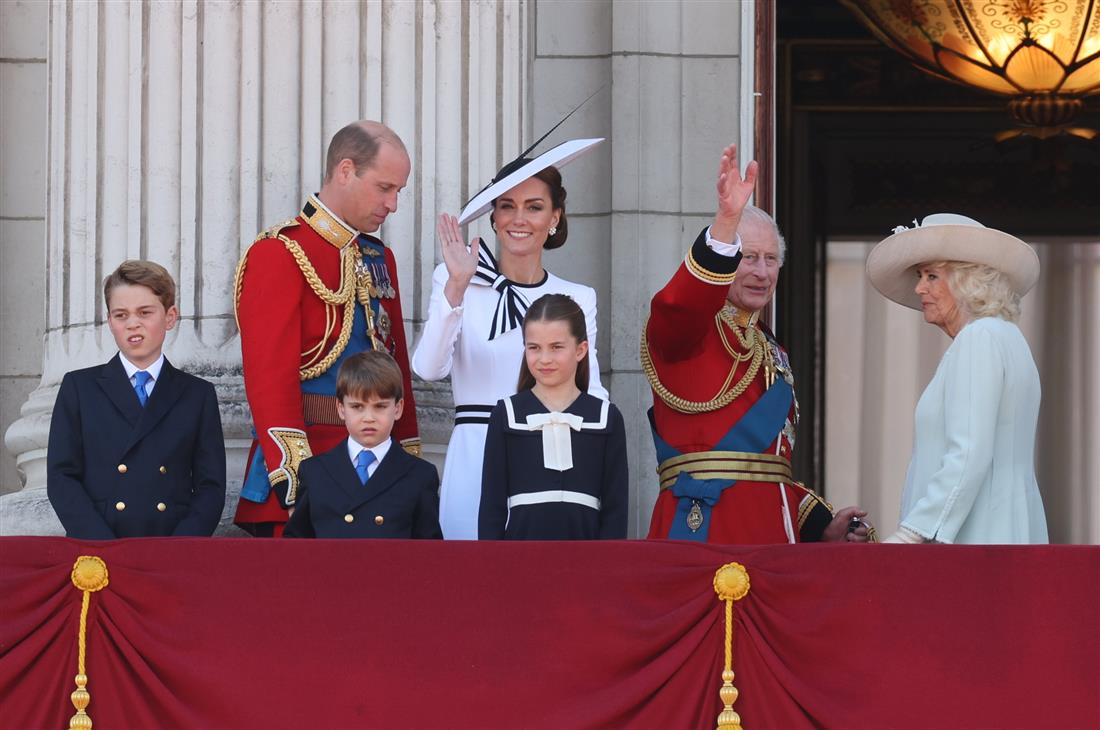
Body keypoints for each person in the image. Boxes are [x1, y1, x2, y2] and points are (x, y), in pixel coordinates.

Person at [644, 144, 870, 544]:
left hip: (771, 539)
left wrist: (821, 525)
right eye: (748, 258)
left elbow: (765, 470)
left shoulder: (771, 348)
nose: (762, 272)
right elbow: (680, 305)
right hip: (704, 532)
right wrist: (725, 224)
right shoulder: (690, 332)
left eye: (771, 259)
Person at [413, 138, 608, 539]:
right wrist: (456, 287)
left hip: (548, 453)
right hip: (476, 451)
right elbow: (428, 369)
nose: (519, 219)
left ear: (554, 217)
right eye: (507, 206)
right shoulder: (456, 279)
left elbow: (591, 391)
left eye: (534, 207)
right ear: (494, 217)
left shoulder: (577, 297)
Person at [233, 120, 421, 537]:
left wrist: (407, 464)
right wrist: (296, 478)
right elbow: (268, 378)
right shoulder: (279, 252)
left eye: (398, 191)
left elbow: (398, 372)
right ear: (345, 171)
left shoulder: (378, 257)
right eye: (385, 188)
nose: (393, 204)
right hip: (310, 471)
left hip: (379, 473)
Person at [866, 214, 1048, 544]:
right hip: (1001, 532)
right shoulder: (1007, 336)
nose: (919, 288)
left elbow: (968, 453)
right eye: (920, 276)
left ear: (968, 282)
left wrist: (912, 533)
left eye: (932, 276)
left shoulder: (979, 338)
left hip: (976, 541)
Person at [47, 260, 226, 539]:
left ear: (170, 316)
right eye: (121, 315)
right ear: (110, 322)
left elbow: (210, 487)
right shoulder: (79, 388)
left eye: (145, 312)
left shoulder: (197, 394)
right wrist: (102, 546)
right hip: (99, 547)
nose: (133, 324)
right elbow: (61, 477)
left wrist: (181, 548)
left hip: (171, 548)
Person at [479, 294, 627, 540]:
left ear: (580, 350)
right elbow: (491, 509)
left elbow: (616, 511)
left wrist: (606, 562)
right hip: (520, 555)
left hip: (587, 557)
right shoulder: (505, 414)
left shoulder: (606, 417)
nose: (544, 359)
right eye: (534, 348)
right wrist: (493, 561)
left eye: (556, 347)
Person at [284, 351, 442, 539]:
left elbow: (429, 550)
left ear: (398, 408)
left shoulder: (420, 475)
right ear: (341, 409)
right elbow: (296, 546)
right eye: (357, 407)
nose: (369, 418)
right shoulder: (314, 472)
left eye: (380, 406)